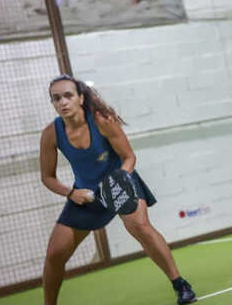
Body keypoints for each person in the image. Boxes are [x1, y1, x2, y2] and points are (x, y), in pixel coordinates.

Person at [40, 74, 196, 304]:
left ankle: (180, 284)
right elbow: (47, 177)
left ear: (80, 98)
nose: (62, 102)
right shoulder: (51, 134)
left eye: (68, 96)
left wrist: (120, 180)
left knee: (140, 227)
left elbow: (129, 157)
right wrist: (71, 193)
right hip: (86, 193)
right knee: (55, 254)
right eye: (56, 98)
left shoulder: (102, 120)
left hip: (120, 181)